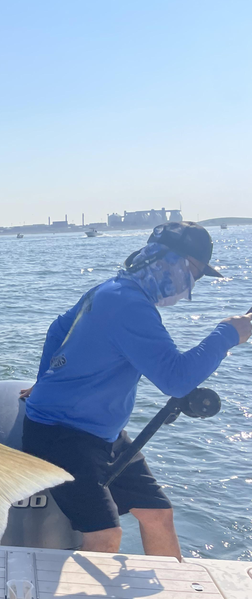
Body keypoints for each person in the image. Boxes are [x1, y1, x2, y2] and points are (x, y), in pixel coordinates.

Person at [21, 222, 251, 559]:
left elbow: (58, 329)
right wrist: (229, 333)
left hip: (102, 434)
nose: (191, 286)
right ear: (168, 261)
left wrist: (45, 380)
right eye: (195, 273)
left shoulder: (112, 289)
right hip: (60, 435)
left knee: (158, 515)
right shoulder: (129, 306)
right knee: (106, 535)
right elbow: (176, 379)